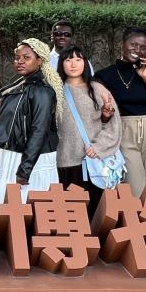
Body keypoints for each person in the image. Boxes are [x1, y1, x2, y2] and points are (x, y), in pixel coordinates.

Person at [0, 38, 60, 226]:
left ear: (40, 60)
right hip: (11, 155)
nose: (20, 61)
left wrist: (25, 170)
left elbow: (39, 131)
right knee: (6, 210)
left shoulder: (43, 91)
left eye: (26, 57)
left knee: (29, 211)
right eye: (17, 57)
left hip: (31, 159)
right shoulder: (17, 87)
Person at [93, 27, 146, 196]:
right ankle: (137, 214)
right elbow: (99, 113)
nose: (137, 50)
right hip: (124, 130)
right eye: (133, 44)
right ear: (122, 44)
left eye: (143, 47)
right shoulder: (105, 75)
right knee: (135, 187)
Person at [55, 46, 122, 220]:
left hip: (93, 161)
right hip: (64, 161)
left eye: (78, 59)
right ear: (61, 64)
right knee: (71, 214)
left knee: (97, 214)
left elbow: (114, 125)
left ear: (85, 63)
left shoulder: (98, 89)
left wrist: (98, 147)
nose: (73, 64)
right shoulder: (55, 91)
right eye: (68, 60)